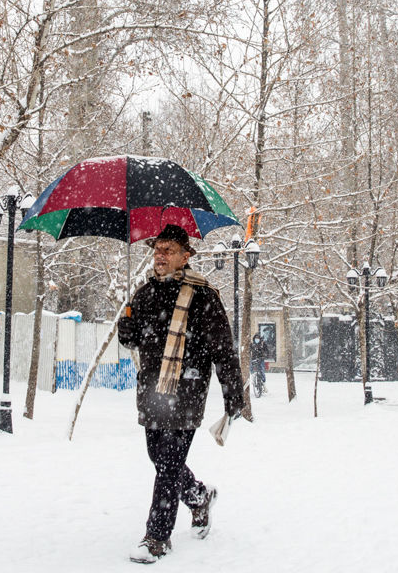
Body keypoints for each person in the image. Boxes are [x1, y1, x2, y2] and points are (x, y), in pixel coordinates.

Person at [118, 224, 244, 564]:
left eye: (168, 250)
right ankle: (199, 496)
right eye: (157, 249)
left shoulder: (202, 294)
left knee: (169, 463)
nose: (160, 256)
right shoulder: (144, 294)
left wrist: (234, 395)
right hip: (152, 391)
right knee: (159, 458)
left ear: (185, 256)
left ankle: (157, 537)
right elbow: (130, 341)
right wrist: (126, 323)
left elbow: (223, 349)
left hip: (186, 390)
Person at [250, 330, 267, 396]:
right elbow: (248, 351)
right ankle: (253, 379)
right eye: (256, 338)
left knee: (262, 370)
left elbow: (267, 351)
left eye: (258, 338)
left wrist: (264, 355)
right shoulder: (252, 344)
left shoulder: (263, 344)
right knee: (251, 369)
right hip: (253, 359)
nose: (257, 339)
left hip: (261, 359)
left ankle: (264, 383)